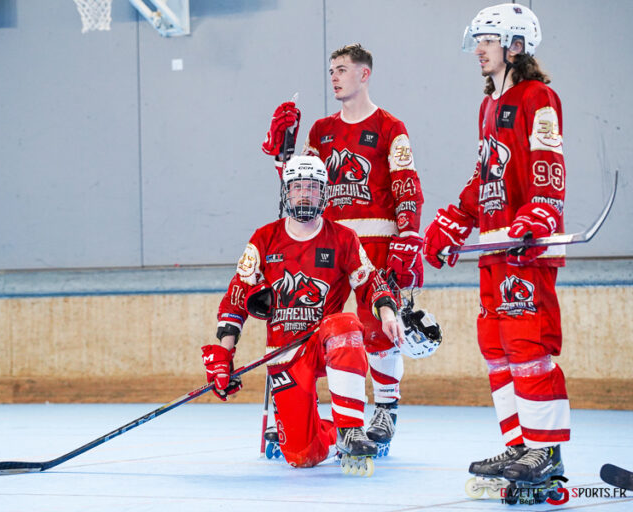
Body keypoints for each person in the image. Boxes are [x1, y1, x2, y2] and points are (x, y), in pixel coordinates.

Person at [423, 3, 568, 492]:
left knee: (529, 345)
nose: (479, 49)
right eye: (478, 40)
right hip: (492, 247)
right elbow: (488, 175)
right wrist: (453, 220)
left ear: (516, 45)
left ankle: (544, 449)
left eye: (489, 39)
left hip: (524, 247)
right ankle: (517, 443)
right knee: (497, 349)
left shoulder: (538, 96)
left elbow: (548, 165)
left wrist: (539, 215)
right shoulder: (488, 106)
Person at [261, 43, 424, 451]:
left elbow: (407, 186)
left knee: (374, 328)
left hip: (379, 237)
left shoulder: (390, 126)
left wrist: (408, 237)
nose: (333, 76)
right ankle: (300, 411)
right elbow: (303, 184)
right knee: (313, 322)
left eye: (342, 69)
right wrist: (283, 156)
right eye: (331, 70)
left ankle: (385, 407)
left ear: (364, 74)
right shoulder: (320, 130)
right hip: (329, 239)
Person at [201, 155, 403, 475]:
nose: (305, 194)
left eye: (312, 187)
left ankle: (351, 429)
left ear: (325, 193)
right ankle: (330, 429)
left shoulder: (343, 238)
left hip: (325, 342)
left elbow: (369, 281)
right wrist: (223, 355)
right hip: (283, 355)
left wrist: (388, 312)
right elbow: (236, 298)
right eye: (297, 187)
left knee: (345, 324)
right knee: (301, 456)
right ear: (286, 192)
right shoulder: (264, 238)